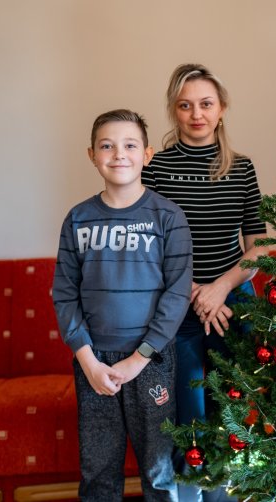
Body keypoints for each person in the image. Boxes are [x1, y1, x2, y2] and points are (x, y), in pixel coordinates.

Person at [142, 64, 268, 502]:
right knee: (190, 409)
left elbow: (258, 248)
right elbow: (149, 245)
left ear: (222, 109)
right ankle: (194, 494)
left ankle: (229, 495)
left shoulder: (242, 168)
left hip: (234, 301)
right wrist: (193, 290)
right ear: (175, 112)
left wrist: (218, 288)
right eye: (185, 105)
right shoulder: (157, 168)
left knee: (232, 406)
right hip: (178, 306)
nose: (196, 113)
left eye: (206, 104)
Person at [53, 109, 193, 500]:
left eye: (130, 145)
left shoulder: (169, 218)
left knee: (159, 470)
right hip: (93, 362)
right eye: (107, 146)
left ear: (147, 154)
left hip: (150, 361)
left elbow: (177, 294)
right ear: (91, 154)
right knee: (98, 472)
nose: (119, 154)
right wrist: (88, 361)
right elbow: (64, 293)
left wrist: (139, 360)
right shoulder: (78, 219)